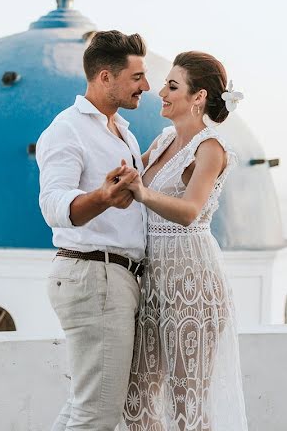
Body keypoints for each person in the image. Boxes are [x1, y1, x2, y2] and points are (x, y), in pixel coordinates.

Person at [120, 51, 249, 431]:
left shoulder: (211, 148)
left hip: (192, 277)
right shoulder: (162, 141)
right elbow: (130, 177)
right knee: (137, 400)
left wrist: (142, 193)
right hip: (153, 280)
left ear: (199, 97)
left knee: (186, 403)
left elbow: (191, 210)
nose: (161, 91)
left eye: (172, 86)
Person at [36, 30, 151, 431]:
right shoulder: (67, 129)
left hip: (111, 277)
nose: (146, 86)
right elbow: (52, 204)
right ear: (105, 77)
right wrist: (102, 197)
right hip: (94, 275)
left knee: (84, 407)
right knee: (97, 413)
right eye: (137, 77)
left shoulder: (123, 132)